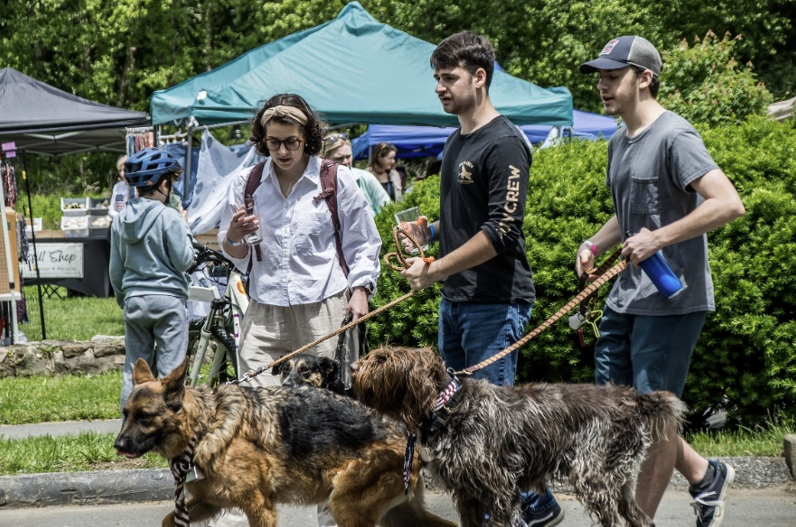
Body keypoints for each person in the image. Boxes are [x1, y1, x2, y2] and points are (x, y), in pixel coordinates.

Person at [576, 35, 745, 527]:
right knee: (617, 412)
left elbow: (727, 202)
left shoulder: (675, 135)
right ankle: (704, 475)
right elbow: (630, 214)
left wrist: (657, 239)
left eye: (613, 77)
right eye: (601, 78)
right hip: (624, 298)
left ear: (644, 78)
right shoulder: (617, 140)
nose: (603, 87)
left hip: (672, 300)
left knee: (653, 421)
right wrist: (595, 243)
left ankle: (638, 522)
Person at [400, 30, 564, 527]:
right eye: (436, 78)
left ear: (479, 77)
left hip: (494, 302)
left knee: (488, 432)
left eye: (448, 78)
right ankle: (537, 504)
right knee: (456, 421)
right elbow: (465, 222)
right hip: (456, 300)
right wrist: (425, 232)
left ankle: (512, 514)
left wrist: (433, 270)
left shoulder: (506, 142)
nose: (439, 88)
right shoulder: (456, 139)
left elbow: (501, 231)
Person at [217, 93, 381, 527]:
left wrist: (361, 289)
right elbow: (234, 254)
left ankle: (335, 514)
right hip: (264, 310)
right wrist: (233, 232)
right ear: (262, 140)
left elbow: (365, 242)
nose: (284, 152)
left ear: (309, 138)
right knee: (251, 409)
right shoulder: (248, 183)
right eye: (273, 143)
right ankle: (245, 511)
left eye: (292, 141)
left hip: (324, 308)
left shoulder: (336, 181)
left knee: (329, 416)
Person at [109, 147, 194, 414]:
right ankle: (170, 428)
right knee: (170, 372)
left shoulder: (120, 219)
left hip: (134, 300)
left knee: (134, 368)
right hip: (168, 301)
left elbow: (115, 269)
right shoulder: (169, 216)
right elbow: (184, 260)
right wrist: (184, 226)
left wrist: (125, 300)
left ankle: (129, 426)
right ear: (164, 184)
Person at [321, 132, 391, 216]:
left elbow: (388, 211)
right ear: (324, 159)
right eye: (339, 158)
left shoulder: (366, 178)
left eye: (348, 156)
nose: (345, 162)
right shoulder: (316, 185)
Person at [107, 155, 131, 221]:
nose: (122, 174)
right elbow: (111, 209)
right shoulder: (118, 187)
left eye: (124, 169)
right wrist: (120, 217)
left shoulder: (138, 187)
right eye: (120, 170)